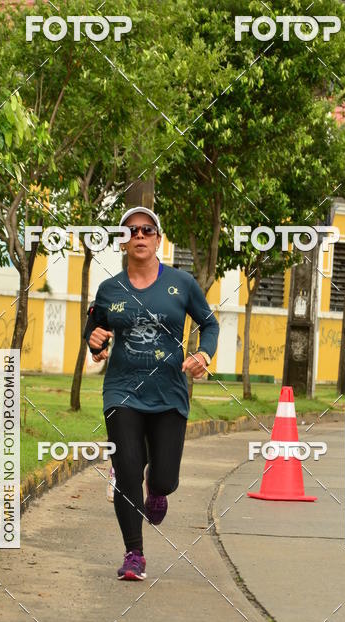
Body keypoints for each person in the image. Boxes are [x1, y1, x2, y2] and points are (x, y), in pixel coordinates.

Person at [86, 206, 219, 580]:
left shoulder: (182, 283)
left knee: (164, 478)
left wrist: (203, 353)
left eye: (147, 230)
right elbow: (94, 332)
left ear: (158, 239)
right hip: (122, 391)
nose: (139, 236)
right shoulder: (110, 289)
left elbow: (209, 324)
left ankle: (156, 489)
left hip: (169, 393)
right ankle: (134, 554)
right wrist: (95, 344)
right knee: (127, 469)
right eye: (131, 231)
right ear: (123, 242)